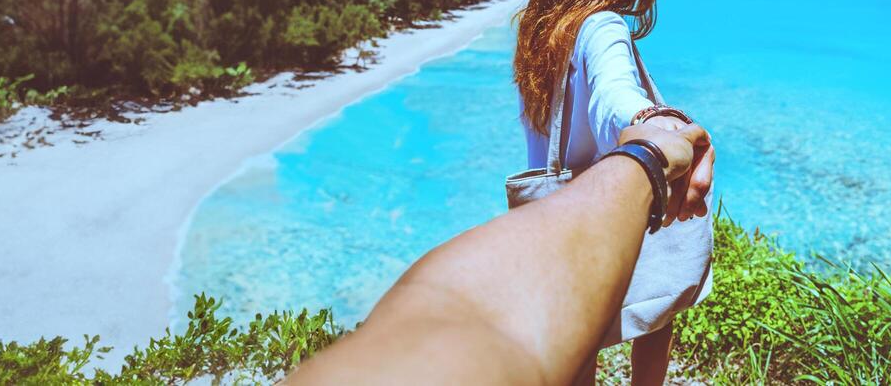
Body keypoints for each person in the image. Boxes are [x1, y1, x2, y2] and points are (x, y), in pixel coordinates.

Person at [283, 118, 709, 385]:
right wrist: (648, 150)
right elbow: (478, 326)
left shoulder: (546, 29)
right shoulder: (604, 28)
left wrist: (642, 157)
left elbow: (447, 304)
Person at [511, 0, 714, 386]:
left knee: (576, 339)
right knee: (659, 303)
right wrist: (656, 122)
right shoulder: (602, 24)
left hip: (555, 216)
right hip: (601, 210)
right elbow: (615, 101)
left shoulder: (543, 24)